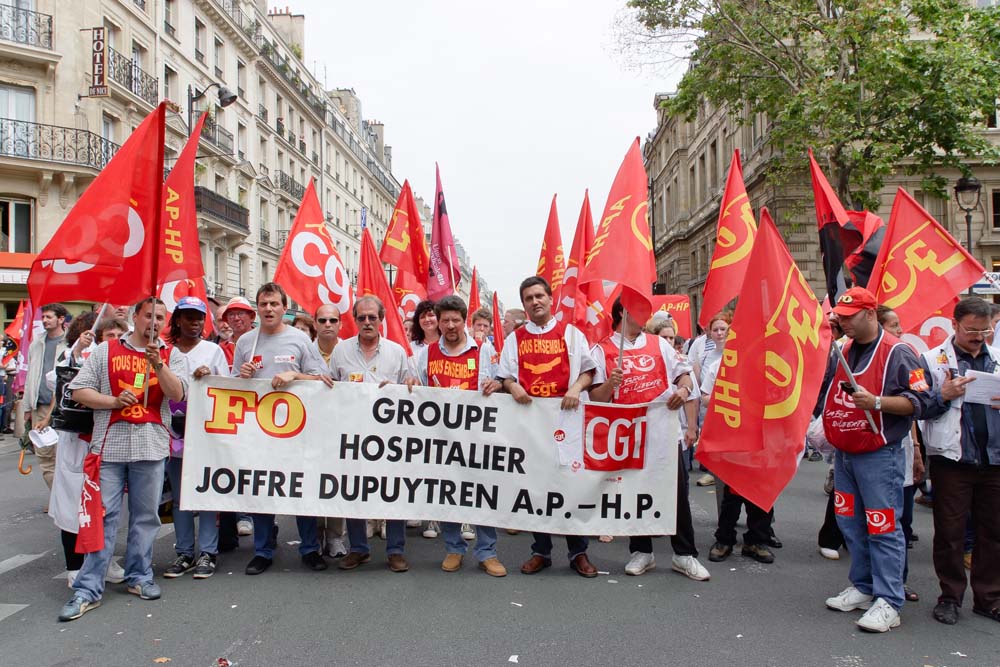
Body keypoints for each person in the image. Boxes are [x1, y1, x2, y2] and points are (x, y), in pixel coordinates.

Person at [58, 298, 186, 621]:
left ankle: (139, 576)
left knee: (146, 518)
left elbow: (178, 394)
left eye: (160, 317)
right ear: (134, 317)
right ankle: (88, 588)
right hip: (109, 447)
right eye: (148, 316)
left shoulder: (171, 355)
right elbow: (78, 390)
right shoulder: (106, 351)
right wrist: (113, 401)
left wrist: (159, 366)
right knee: (104, 517)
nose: (154, 323)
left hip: (152, 448)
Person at [821, 287, 933, 633]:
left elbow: (923, 401)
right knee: (849, 521)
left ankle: (890, 598)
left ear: (870, 313)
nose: (843, 321)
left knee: (883, 525)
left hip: (878, 453)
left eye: (850, 316)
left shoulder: (899, 352)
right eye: (839, 315)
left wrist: (879, 403)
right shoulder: (845, 349)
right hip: (845, 452)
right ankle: (864, 586)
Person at [589, 298, 709, 581]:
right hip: (627, 436)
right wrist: (611, 384)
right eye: (640, 309)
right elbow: (595, 398)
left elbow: (685, 376)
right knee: (633, 494)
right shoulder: (602, 350)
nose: (646, 315)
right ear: (623, 312)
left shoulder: (659, 345)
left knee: (676, 494)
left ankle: (684, 554)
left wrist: (683, 389)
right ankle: (642, 551)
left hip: (663, 433)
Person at [497, 276, 599, 578]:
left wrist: (576, 388)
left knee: (570, 485)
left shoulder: (571, 334)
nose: (535, 302)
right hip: (532, 423)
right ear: (524, 304)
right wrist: (512, 386)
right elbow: (505, 375)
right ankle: (540, 550)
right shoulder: (515, 339)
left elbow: (588, 371)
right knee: (536, 487)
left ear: (550, 298)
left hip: (566, 422)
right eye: (528, 298)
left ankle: (578, 551)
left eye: (539, 295)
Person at [234, 283, 333, 576]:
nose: (268, 309)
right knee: (261, 490)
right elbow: (231, 385)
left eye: (274, 304)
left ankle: (310, 548)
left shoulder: (299, 340)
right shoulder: (245, 343)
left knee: (301, 490)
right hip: (260, 431)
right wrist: (242, 376)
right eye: (263, 304)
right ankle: (263, 550)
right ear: (257, 308)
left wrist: (295, 375)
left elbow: (323, 378)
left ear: (283, 307)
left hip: (297, 430)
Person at [408, 295, 508, 577]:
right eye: (445, 321)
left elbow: (501, 382)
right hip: (442, 439)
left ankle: (487, 551)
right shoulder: (426, 354)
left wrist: (497, 383)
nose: (450, 325)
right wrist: (413, 384)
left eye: (455, 320)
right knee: (447, 494)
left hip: (478, 438)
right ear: (437, 323)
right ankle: (454, 548)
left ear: (464, 321)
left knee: (482, 494)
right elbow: (421, 390)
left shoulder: (485, 350)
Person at [918, 296, 1000, 626]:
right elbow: (918, 405)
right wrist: (944, 395)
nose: (980, 337)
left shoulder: (997, 358)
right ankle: (950, 596)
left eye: (987, 330)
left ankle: (989, 597)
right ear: (954, 325)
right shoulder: (930, 359)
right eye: (972, 330)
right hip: (952, 459)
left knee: (993, 532)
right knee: (950, 533)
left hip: (994, 459)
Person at [41, 312, 126, 588]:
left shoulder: (123, 364)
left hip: (109, 441)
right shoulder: (79, 358)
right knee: (71, 507)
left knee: (107, 507)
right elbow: (57, 380)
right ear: (97, 339)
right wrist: (76, 351)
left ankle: (105, 559)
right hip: (77, 444)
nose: (114, 341)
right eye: (109, 336)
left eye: (118, 336)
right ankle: (74, 566)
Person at [330, 295, 413, 572]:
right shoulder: (340, 352)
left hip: (389, 437)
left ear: (381, 319)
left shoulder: (397, 352)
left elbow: (413, 390)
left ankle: (396, 550)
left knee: (393, 491)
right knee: (354, 490)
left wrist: (404, 387)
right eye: (362, 317)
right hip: (352, 436)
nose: (367, 322)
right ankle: (358, 549)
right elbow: (329, 391)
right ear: (355, 320)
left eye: (372, 317)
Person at [699, 311, 777, 564]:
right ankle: (724, 539)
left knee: (759, 491)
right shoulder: (715, 366)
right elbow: (705, 397)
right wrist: (733, 403)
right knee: (731, 494)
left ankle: (757, 541)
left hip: (759, 437)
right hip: (730, 436)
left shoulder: (763, 362)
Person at [161, 297, 229, 581]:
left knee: (206, 494)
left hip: (204, 432)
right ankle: (185, 551)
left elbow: (227, 388)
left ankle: (208, 552)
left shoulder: (213, 351)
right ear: (177, 319)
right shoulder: (165, 351)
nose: (195, 322)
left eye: (199, 317)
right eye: (189, 317)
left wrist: (209, 375)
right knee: (180, 497)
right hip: (172, 433)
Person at [876, 305, 924, 602]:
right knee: (872, 521)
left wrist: (917, 449)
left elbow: (918, 404)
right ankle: (870, 582)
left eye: (899, 324)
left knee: (899, 521)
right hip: (871, 453)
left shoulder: (908, 355)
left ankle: (896, 582)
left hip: (901, 451)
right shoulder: (859, 355)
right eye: (893, 324)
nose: (900, 329)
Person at [218, 296, 257, 541]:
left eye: (241, 313)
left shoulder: (261, 342)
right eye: (230, 314)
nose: (235, 318)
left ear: (251, 317)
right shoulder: (219, 348)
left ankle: (250, 515)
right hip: (231, 417)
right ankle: (229, 519)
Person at [312, 304, 348, 560]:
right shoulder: (304, 350)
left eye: (332, 320)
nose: (327, 324)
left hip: (341, 428)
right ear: (315, 323)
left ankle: (335, 537)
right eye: (322, 320)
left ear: (340, 324)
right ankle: (314, 537)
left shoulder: (348, 351)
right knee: (312, 483)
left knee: (336, 482)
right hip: (309, 428)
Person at [24, 303, 69, 488]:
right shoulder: (36, 343)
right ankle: (55, 497)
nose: (44, 320)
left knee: (64, 454)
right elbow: (30, 376)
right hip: (40, 405)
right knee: (44, 454)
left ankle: (65, 498)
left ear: (60, 319)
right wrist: (27, 407)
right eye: (43, 317)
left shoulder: (69, 343)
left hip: (63, 406)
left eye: (49, 317)